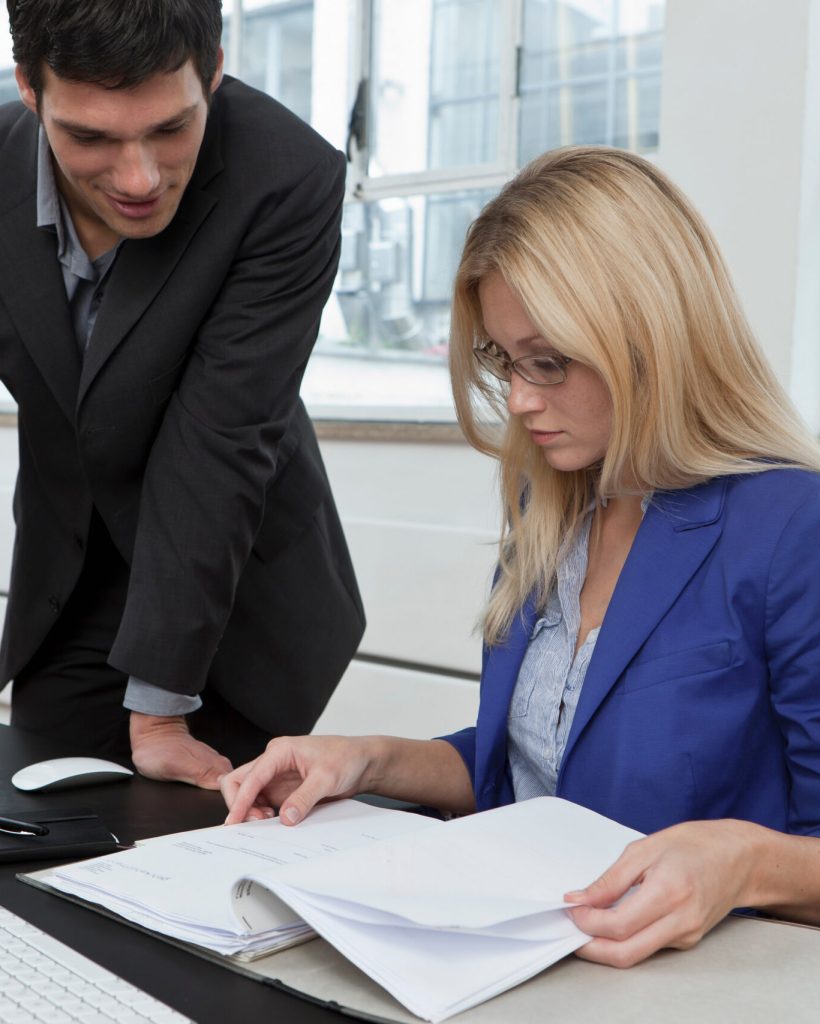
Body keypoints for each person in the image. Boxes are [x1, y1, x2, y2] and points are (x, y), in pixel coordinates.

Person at [220, 146, 820, 966]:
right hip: (527, 958)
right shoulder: (556, 504)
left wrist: (744, 861)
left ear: (653, 336)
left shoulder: (791, 525)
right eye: (506, 362)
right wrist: (369, 760)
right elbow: (533, 770)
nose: (524, 401)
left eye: (550, 361)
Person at [0, 0, 365, 786]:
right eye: (89, 137)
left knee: (187, 859)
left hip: (235, 587)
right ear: (30, 89)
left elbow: (219, 441)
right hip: (70, 569)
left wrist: (160, 709)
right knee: (35, 827)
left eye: (170, 129)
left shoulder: (287, 177)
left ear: (215, 71)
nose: (139, 178)